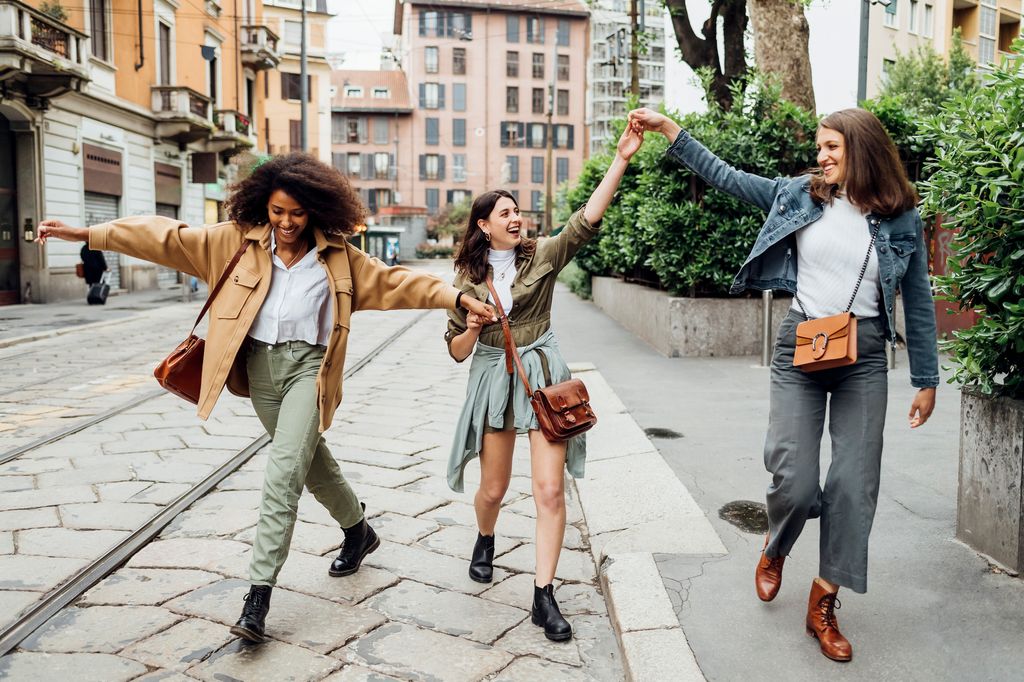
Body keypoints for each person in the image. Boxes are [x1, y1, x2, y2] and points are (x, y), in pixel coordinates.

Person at [36, 153, 496, 644]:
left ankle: (258, 595)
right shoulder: (233, 242)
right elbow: (165, 238)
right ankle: (359, 530)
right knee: (310, 461)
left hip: (307, 371)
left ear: (316, 210)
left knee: (282, 475)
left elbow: (398, 281)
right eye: (278, 212)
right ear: (264, 206)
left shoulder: (339, 257)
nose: (287, 223)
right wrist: (84, 234)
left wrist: (456, 297)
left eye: (297, 213)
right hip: (259, 372)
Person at [629, 107, 938, 661]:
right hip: (801, 344)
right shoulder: (799, 194)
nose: (820, 157)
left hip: (864, 355)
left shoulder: (900, 216)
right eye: (820, 148)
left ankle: (824, 600)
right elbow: (725, 176)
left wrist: (926, 378)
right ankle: (776, 546)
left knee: (854, 482)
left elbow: (916, 297)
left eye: (831, 148)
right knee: (794, 477)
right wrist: (672, 132)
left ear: (861, 150)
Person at [445, 124, 643, 642]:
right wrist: (468, 327)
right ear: (484, 225)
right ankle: (485, 537)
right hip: (492, 376)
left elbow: (586, 220)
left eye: (518, 211)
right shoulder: (466, 281)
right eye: (505, 213)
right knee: (492, 488)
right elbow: (456, 351)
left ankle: (543, 595)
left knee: (550, 490)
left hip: (541, 379)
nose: (516, 217)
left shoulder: (544, 255)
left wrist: (620, 159)